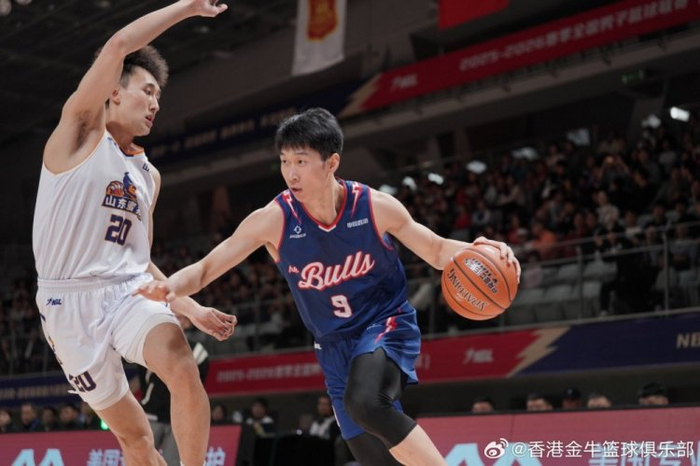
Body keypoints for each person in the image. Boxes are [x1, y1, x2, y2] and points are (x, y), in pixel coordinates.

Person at [137, 108, 520, 465]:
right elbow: (206, 268)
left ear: (332, 162)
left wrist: (480, 250)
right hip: (332, 346)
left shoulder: (374, 206)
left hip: (385, 324)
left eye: (301, 162)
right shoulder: (274, 219)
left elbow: (435, 249)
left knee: (367, 402)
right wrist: (170, 287)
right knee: (372, 454)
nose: (291, 173)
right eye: (285, 162)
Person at [31, 2, 235, 465]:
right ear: (114, 93)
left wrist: (189, 306)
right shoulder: (79, 132)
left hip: (126, 292)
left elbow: (138, 261)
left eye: (159, 96)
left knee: (181, 364)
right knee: (136, 439)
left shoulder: (148, 175)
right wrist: (188, 7)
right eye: (147, 91)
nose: (156, 103)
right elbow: (119, 45)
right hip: (66, 304)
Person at [135, 313, 210, 465]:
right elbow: (143, 378)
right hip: (150, 414)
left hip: (180, 419)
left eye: (180, 317)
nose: (175, 319)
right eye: (172, 315)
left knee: (174, 461)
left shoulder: (198, 352)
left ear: (188, 323)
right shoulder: (153, 345)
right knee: (141, 459)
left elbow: (197, 388)